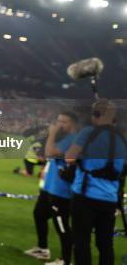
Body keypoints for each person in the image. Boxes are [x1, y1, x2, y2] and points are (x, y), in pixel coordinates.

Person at [65, 99, 126, 265]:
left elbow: (69, 157)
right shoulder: (122, 138)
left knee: (81, 241)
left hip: (85, 195)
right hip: (110, 199)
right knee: (105, 244)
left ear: (96, 115)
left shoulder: (88, 132)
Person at [24, 112, 78, 265]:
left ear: (73, 123)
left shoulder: (72, 139)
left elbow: (49, 153)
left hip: (62, 191)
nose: (59, 124)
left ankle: (65, 260)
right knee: (39, 214)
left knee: (62, 226)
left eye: (64, 121)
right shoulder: (65, 138)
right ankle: (42, 249)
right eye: (58, 120)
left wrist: (52, 134)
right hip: (50, 188)